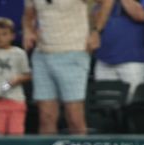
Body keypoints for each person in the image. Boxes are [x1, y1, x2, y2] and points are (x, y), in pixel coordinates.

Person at [23, 0, 106, 135]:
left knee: (74, 116)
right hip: (42, 55)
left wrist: (96, 31)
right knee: (46, 117)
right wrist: (28, 31)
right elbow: (28, 15)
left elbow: (107, 2)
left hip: (73, 52)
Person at [92, 0, 144, 103]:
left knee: (133, 107)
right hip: (104, 60)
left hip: (134, 61)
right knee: (105, 108)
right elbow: (95, 19)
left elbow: (141, 15)